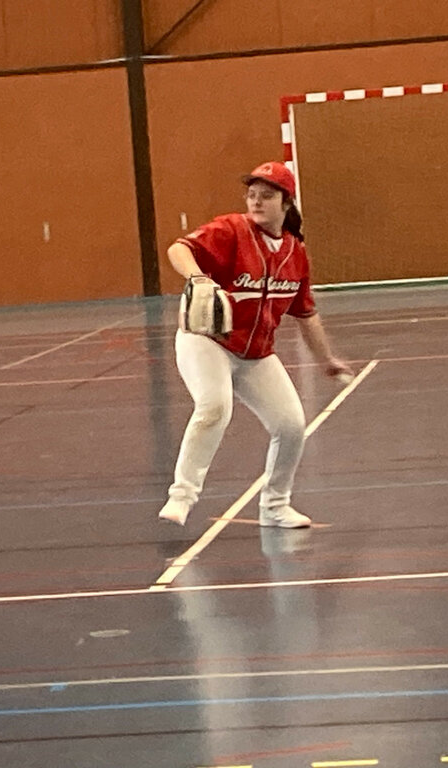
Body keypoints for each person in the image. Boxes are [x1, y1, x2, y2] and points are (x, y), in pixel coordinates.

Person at [158, 161, 353, 528]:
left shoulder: (295, 253)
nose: (257, 202)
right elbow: (178, 249)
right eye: (252, 195)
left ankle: (275, 506)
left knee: (291, 426)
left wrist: (326, 359)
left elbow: (306, 313)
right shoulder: (231, 229)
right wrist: (197, 277)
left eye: (267, 196)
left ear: (286, 203)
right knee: (214, 405)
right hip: (207, 341)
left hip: (256, 355)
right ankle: (181, 496)